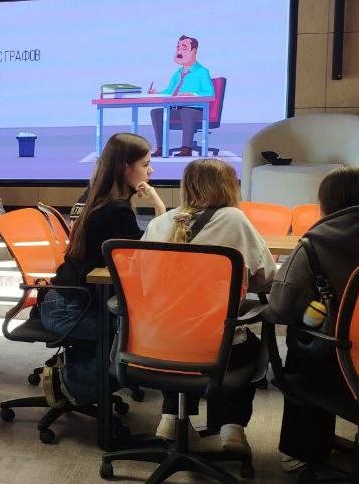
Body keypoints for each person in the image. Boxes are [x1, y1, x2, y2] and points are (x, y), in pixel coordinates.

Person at [265, 166, 359, 467]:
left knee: (302, 338)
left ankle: (304, 451)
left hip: (333, 362)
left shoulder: (313, 244)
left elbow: (281, 308)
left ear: (323, 202)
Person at [143, 157, 276, 453]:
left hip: (154, 344)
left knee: (179, 337)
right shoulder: (234, 220)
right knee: (248, 346)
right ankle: (231, 428)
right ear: (228, 187)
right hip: (216, 349)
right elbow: (265, 278)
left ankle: (171, 418)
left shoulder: (158, 223)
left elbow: (143, 283)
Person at [41, 133, 166, 407]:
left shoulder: (95, 195)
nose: (151, 171)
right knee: (135, 337)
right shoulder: (116, 209)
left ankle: (77, 371)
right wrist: (159, 207)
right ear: (125, 167)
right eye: (146, 164)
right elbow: (146, 256)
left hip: (62, 299)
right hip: (71, 310)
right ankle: (68, 381)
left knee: (130, 331)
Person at [148, 34, 213, 158]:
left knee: (186, 111)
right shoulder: (177, 73)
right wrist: (157, 93)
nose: (179, 51)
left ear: (194, 51)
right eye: (178, 48)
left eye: (184, 48)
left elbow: (209, 93)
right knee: (156, 113)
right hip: (178, 109)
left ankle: (186, 149)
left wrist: (193, 95)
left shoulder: (202, 72)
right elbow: (170, 91)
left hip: (197, 110)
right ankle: (161, 148)